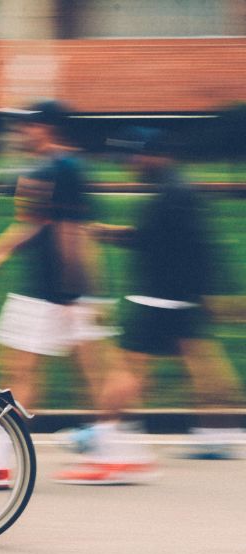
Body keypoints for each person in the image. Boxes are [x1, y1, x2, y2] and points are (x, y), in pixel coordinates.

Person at [65, 127, 244, 477]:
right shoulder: (177, 187)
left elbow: (154, 241)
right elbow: (195, 245)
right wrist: (210, 293)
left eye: (136, 155)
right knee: (203, 361)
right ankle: (218, 433)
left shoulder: (172, 193)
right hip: (179, 297)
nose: (131, 163)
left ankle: (103, 437)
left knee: (127, 367)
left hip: (157, 297)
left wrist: (104, 232)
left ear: (156, 154)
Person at [0, 100, 119, 486]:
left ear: (47, 128)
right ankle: (109, 451)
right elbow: (34, 225)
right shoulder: (48, 168)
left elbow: (74, 231)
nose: (20, 132)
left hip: (59, 292)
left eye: (26, 126)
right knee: (24, 370)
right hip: (48, 291)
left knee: (78, 372)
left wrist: (75, 294)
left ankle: (110, 453)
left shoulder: (65, 168)